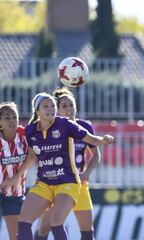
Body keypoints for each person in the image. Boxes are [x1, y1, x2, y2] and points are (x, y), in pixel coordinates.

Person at [2, 92, 114, 240]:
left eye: (53, 106)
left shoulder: (65, 124)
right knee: (23, 222)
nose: (50, 109)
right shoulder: (30, 130)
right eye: (45, 106)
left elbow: (91, 140)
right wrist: (16, 177)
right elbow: (31, 156)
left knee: (56, 222)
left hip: (67, 182)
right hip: (44, 183)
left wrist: (104, 139)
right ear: (37, 111)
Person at [34, 88, 101, 240]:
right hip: (56, 184)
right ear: (57, 110)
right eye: (64, 106)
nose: (69, 109)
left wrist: (86, 174)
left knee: (87, 231)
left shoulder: (85, 126)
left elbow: (96, 155)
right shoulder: (50, 129)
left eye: (71, 104)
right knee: (44, 229)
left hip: (79, 184)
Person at [0, 102, 29, 240]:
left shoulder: (24, 136)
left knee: (17, 237)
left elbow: (33, 156)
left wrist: (16, 177)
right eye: (6, 118)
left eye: (14, 117)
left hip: (15, 194)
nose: (11, 120)